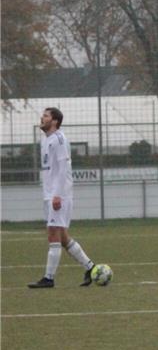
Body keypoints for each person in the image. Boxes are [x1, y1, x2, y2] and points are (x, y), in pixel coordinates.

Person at [27, 107, 98, 288]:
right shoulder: (46, 140)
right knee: (63, 237)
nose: (42, 118)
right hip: (50, 195)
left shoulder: (59, 139)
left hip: (59, 196)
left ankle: (49, 278)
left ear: (55, 121)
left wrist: (57, 195)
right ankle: (90, 268)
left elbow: (64, 169)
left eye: (46, 116)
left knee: (53, 233)